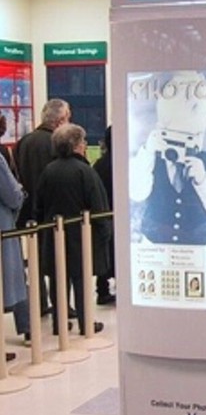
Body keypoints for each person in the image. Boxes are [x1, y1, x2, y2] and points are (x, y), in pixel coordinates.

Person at [129, 71, 206, 245]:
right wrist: (147, 151)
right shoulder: (150, 160)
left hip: (199, 250)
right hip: (155, 248)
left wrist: (203, 180)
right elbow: (137, 193)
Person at [35, 123, 112, 336]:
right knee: (81, 280)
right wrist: (105, 232)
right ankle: (85, 323)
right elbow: (98, 205)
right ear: (77, 145)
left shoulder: (48, 171)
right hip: (81, 236)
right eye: (83, 141)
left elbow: (39, 206)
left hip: (53, 234)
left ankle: (59, 323)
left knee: (58, 280)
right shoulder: (85, 171)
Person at [15, 99, 72, 317]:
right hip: (53, 211)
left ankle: (39, 302)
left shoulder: (24, 142)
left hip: (29, 210)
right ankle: (62, 306)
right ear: (60, 120)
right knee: (59, 261)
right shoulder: (56, 143)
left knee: (35, 260)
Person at [0, 151, 30, 348]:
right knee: (14, 277)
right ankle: (28, 329)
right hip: (3, 230)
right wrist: (20, 194)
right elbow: (12, 195)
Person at [93, 125, 115, 305]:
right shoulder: (125, 163)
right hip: (119, 214)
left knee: (105, 251)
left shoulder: (99, 164)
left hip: (103, 213)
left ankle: (102, 289)